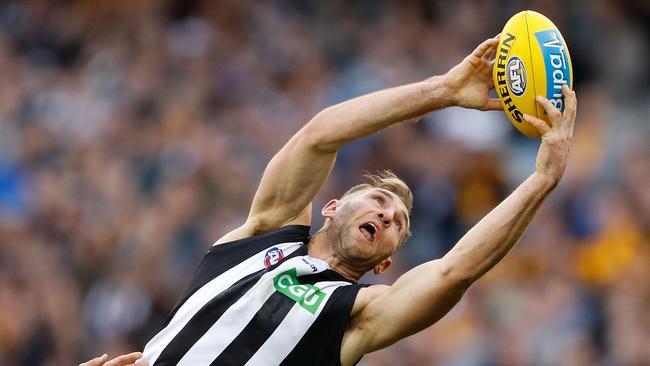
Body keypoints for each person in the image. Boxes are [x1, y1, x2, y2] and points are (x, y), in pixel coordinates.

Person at [81, 34, 577, 366]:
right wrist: (443, 89)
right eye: (379, 200)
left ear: (385, 262)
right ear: (331, 206)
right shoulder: (262, 236)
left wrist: (541, 180)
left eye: (399, 223)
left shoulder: (353, 318)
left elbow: (454, 272)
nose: (387, 214)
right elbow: (320, 136)